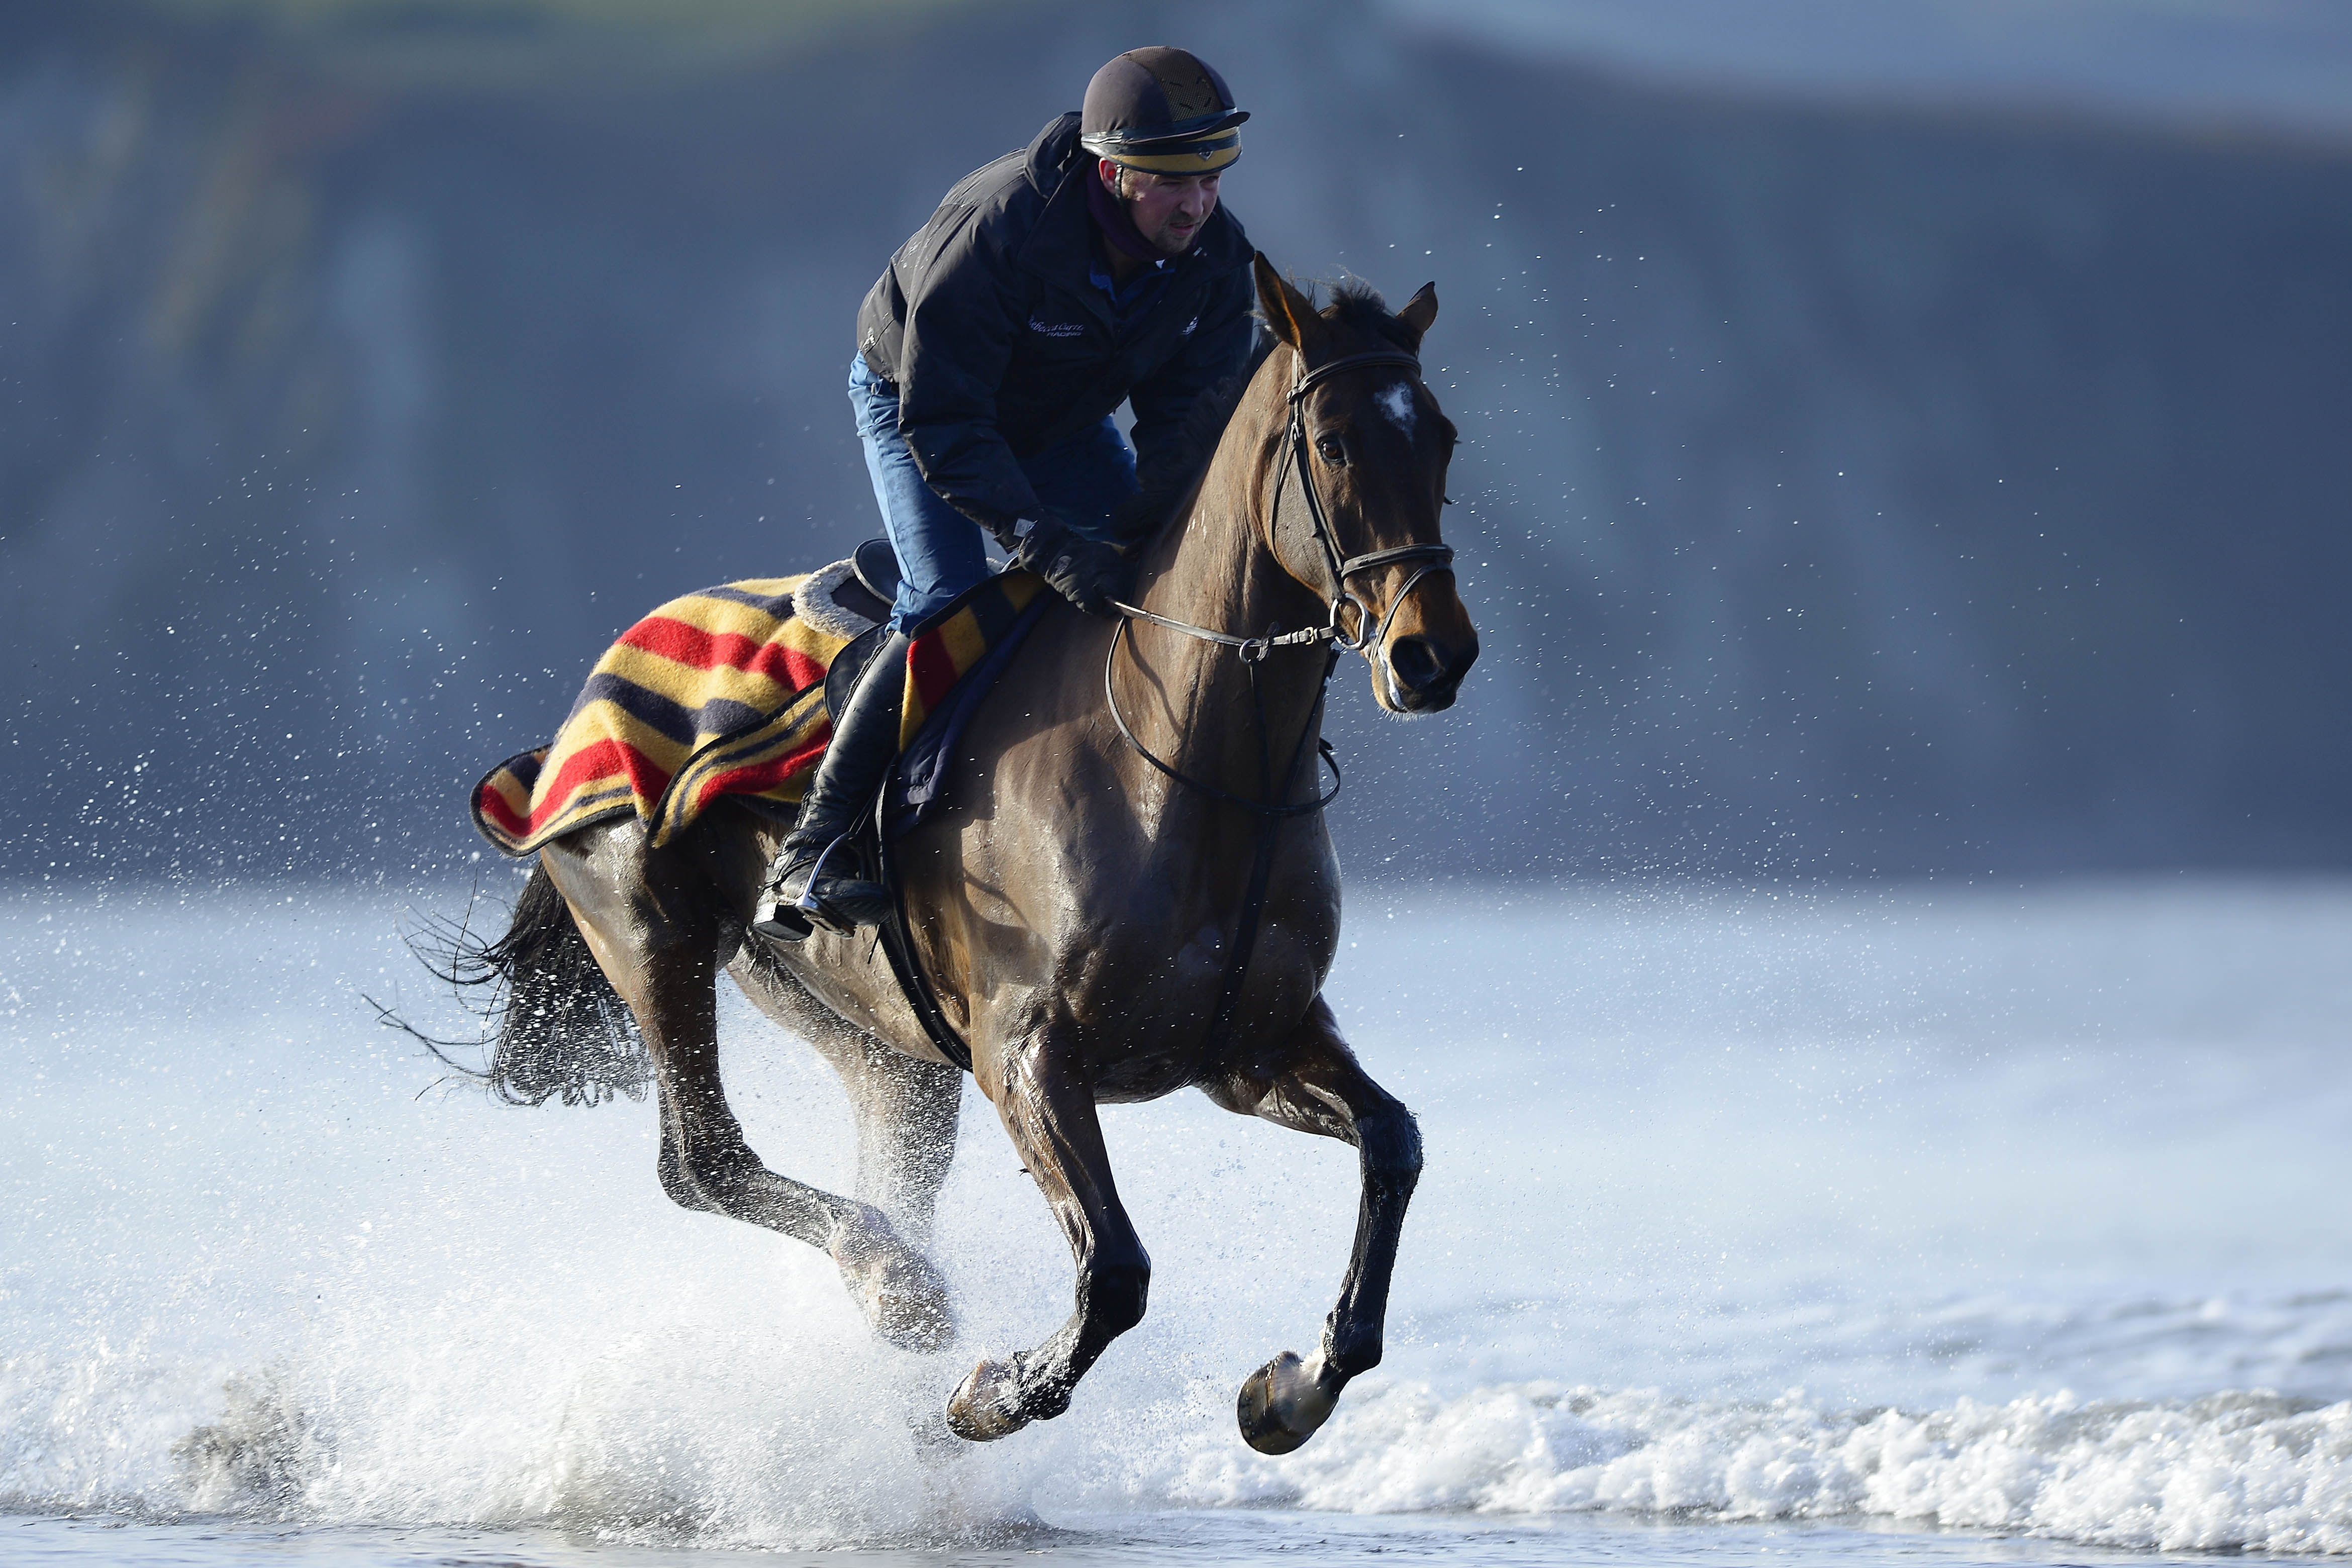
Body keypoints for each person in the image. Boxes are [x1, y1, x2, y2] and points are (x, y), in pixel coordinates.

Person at [753, 46, 1257, 943]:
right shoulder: (1000, 230)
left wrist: (1153, 533)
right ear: (1113, 172)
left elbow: (1186, 429)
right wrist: (1042, 538)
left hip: (1060, 422)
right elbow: (946, 420)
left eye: (1212, 179)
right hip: (920, 403)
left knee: (1154, 575)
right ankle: (815, 847)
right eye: (1175, 183)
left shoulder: (1214, 259)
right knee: (947, 601)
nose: (1198, 205)